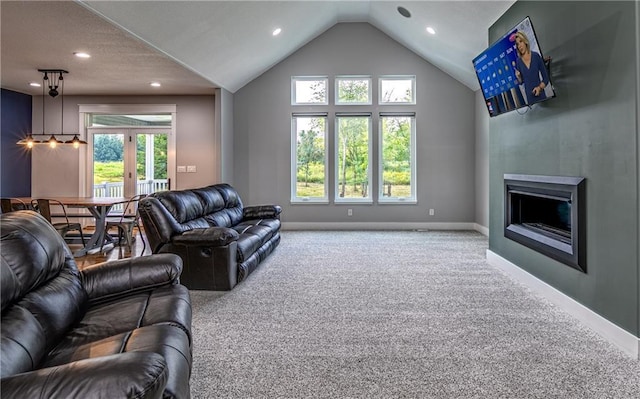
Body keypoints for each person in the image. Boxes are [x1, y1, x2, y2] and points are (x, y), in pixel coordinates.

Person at [513, 31, 550, 105]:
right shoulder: (518, 61)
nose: (519, 46)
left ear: (525, 41)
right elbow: (521, 82)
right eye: (517, 44)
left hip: (541, 97)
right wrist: (519, 77)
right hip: (530, 100)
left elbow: (546, 78)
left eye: (521, 42)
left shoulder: (536, 56)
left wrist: (539, 88)